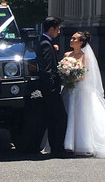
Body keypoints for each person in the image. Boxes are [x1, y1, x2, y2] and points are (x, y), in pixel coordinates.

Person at [35, 16, 71, 158]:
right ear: (51, 29)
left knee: (53, 118)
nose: (59, 31)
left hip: (49, 89)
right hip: (50, 89)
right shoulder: (45, 44)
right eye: (58, 28)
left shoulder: (45, 42)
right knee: (59, 118)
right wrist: (51, 87)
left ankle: (56, 148)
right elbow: (46, 69)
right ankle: (58, 149)